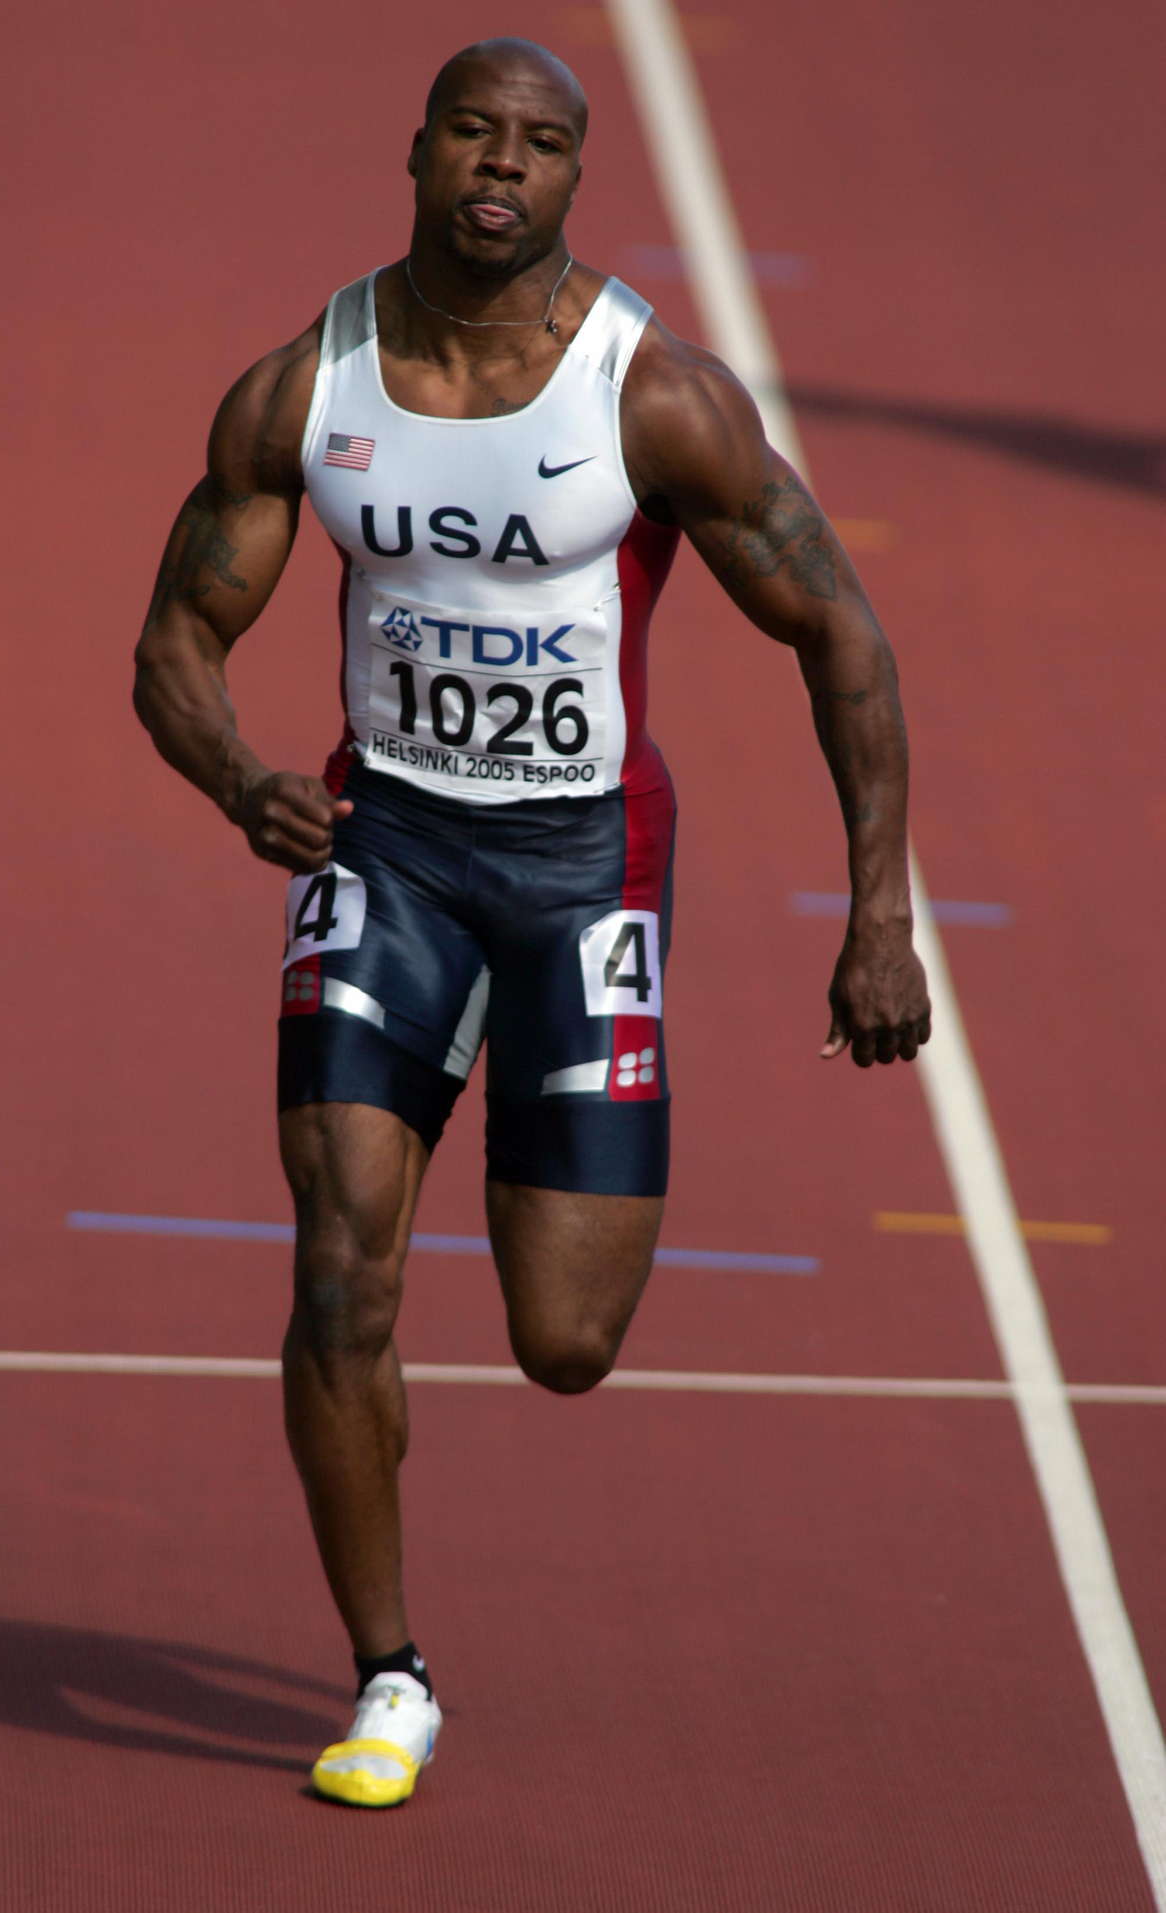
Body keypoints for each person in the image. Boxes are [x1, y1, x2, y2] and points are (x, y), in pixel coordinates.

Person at [133, 36, 931, 1807]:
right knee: (339, 1261)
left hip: (583, 871)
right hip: (389, 852)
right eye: (475, 132)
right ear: (417, 149)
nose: (503, 163)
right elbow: (176, 634)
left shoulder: (655, 398)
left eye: (541, 142)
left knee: (565, 1340)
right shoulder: (308, 386)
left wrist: (878, 910)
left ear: (576, 175)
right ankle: (389, 1674)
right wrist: (240, 778)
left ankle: (530, 1087)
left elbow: (841, 631)